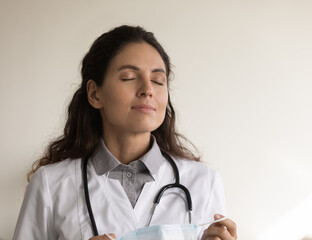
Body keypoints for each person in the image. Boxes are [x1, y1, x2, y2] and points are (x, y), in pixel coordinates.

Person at [13, 25, 237, 240]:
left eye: (158, 81)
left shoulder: (203, 183)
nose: (148, 90)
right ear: (94, 94)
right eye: (129, 77)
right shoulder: (51, 184)